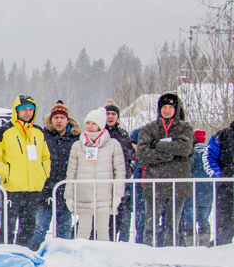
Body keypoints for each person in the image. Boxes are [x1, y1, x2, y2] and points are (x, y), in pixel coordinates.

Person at [0, 95, 51, 249]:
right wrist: (8, 174)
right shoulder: (4, 131)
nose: (27, 113)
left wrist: (43, 174)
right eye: (24, 110)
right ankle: (5, 254)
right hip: (12, 188)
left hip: (33, 188)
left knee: (29, 226)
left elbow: (46, 156)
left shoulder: (38, 132)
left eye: (31, 110)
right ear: (16, 111)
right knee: (8, 227)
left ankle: (25, 254)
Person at [136, 93, 195, 247]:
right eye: (164, 107)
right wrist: (172, 154)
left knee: (173, 226)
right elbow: (143, 155)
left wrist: (159, 145)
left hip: (178, 184)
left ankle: (170, 255)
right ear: (159, 109)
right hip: (154, 183)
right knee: (150, 226)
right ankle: (148, 254)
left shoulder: (185, 127)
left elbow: (185, 148)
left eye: (170, 107)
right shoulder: (149, 129)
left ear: (176, 109)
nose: (167, 110)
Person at [65, 108, 126, 241]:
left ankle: (103, 259)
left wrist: (117, 195)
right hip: (84, 196)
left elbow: (119, 172)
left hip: (104, 196)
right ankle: (81, 258)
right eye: (88, 123)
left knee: (103, 231)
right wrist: (68, 196)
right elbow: (71, 172)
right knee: (83, 231)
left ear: (100, 124)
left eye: (93, 123)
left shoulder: (113, 145)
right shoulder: (77, 145)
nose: (90, 126)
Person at [32, 101, 78, 247]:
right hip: (44, 189)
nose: (59, 120)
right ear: (51, 120)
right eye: (56, 117)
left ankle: (63, 254)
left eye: (62, 117)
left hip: (66, 189)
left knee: (64, 228)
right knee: (39, 227)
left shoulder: (75, 138)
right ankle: (34, 252)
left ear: (67, 120)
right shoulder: (41, 136)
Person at [104, 100, 137, 241]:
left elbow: (131, 157)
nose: (110, 117)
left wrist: (126, 174)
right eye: (108, 114)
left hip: (120, 183)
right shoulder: (98, 132)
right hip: (102, 183)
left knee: (119, 219)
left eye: (113, 114)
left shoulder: (123, 135)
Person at [179, 130, 214, 247]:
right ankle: (204, 244)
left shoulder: (190, 153)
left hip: (191, 192)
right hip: (207, 193)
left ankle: (190, 245)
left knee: (189, 222)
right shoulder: (210, 153)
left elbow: (186, 170)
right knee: (204, 220)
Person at [206, 119, 234, 246]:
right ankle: (221, 252)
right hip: (226, 187)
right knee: (224, 225)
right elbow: (209, 157)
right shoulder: (222, 135)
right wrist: (220, 175)